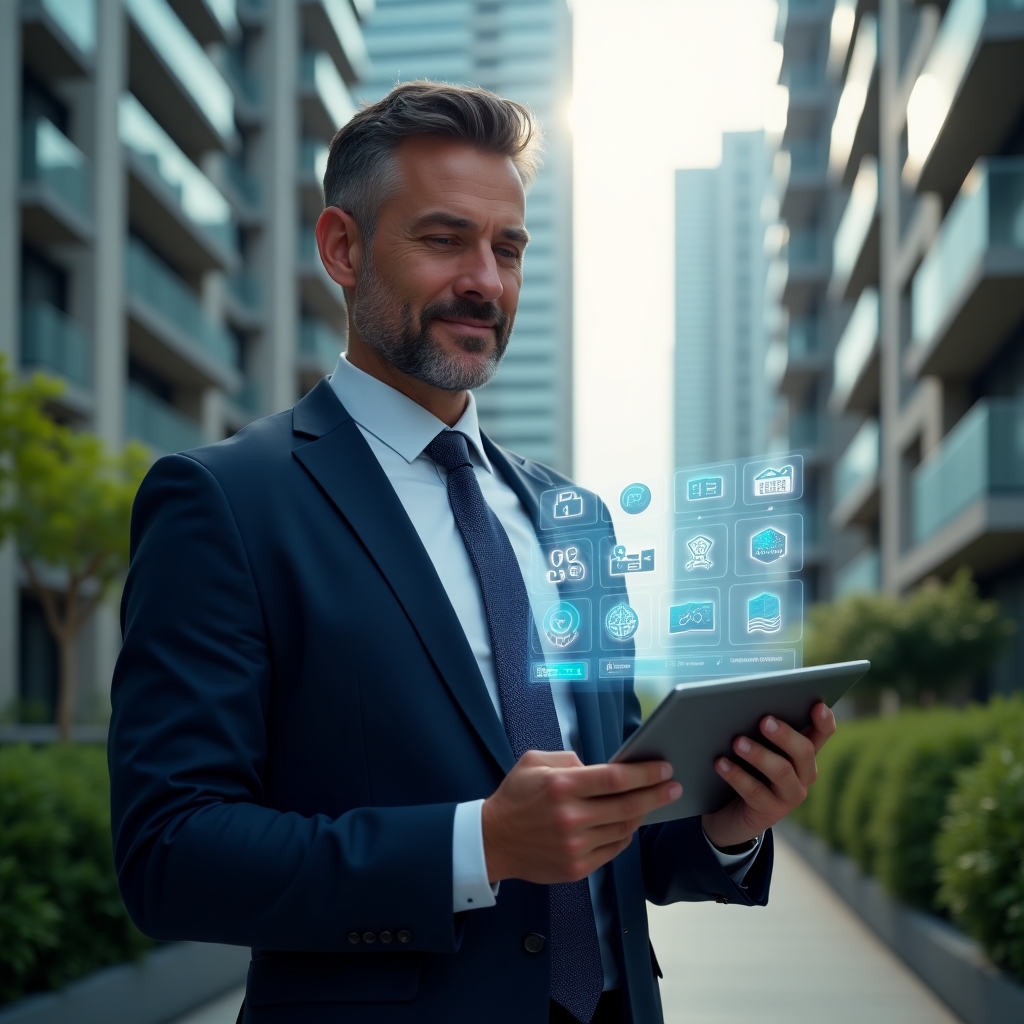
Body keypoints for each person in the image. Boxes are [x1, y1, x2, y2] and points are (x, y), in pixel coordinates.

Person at [108, 82, 837, 1024]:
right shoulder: (225, 502)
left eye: (509, 248)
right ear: (342, 248)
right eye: (445, 239)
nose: (486, 282)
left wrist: (728, 827)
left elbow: (612, 826)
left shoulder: (576, 521)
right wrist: (478, 845)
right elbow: (170, 854)